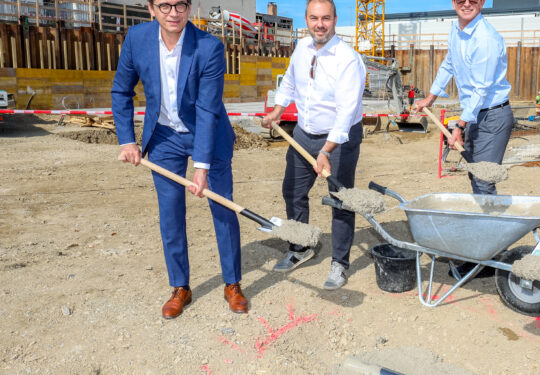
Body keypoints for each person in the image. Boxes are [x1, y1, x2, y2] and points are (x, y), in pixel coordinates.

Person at [112, 0, 247, 319]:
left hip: (208, 133)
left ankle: (232, 283)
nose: (173, 13)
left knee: (223, 206)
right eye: (165, 5)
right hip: (163, 137)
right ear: (151, 8)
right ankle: (180, 287)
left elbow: (207, 108)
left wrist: (201, 167)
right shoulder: (136, 38)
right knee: (170, 213)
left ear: (190, 7)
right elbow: (121, 91)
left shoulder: (209, 47)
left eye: (180, 5)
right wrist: (127, 139)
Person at [261, 0, 366, 290]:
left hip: (339, 139)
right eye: (314, 18)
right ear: (306, 19)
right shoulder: (302, 48)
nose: (320, 24)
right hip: (304, 133)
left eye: (326, 18)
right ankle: (301, 245)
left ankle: (340, 263)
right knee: (293, 191)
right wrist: (278, 111)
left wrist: (325, 151)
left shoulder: (347, 58)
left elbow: (346, 113)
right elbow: (289, 85)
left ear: (335, 19)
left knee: (340, 200)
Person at [413, 0, 513, 196]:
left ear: (482, 2)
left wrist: (459, 126)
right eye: (461, 0)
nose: (467, 4)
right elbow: (449, 64)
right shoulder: (456, 31)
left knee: (484, 179)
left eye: (473, 0)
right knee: (474, 175)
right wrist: (430, 98)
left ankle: (492, 225)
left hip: (493, 116)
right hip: (475, 114)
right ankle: (481, 222)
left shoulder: (485, 39)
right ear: (453, 3)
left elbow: (481, 89)